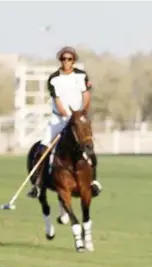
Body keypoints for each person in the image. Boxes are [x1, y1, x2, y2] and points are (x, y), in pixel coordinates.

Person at [27, 46, 102, 198]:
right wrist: (66, 114)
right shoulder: (54, 78)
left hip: (77, 120)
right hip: (59, 119)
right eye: (63, 59)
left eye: (69, 59)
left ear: (74, 60)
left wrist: (81, 113)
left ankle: (93, 181)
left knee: (88, 148)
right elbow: (58, 101)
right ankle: (37, 183)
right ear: (60, 60)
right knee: (43, 148)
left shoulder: (81, 76)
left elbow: (86, 96)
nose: (66, 62)